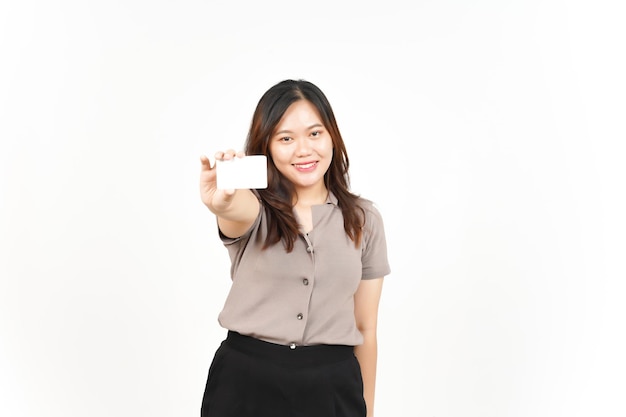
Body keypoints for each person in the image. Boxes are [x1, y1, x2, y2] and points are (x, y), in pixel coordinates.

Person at [198, 79, 390, 417]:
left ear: (332, 136)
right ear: (267, 147)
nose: (303, 150)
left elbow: (366, 327)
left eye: (315, 134)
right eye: (286, 139)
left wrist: (368, 411)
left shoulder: (364, 219)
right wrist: (223, 200)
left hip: (333, 386)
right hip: (246, 385)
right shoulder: (255, 207)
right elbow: (234, 211)